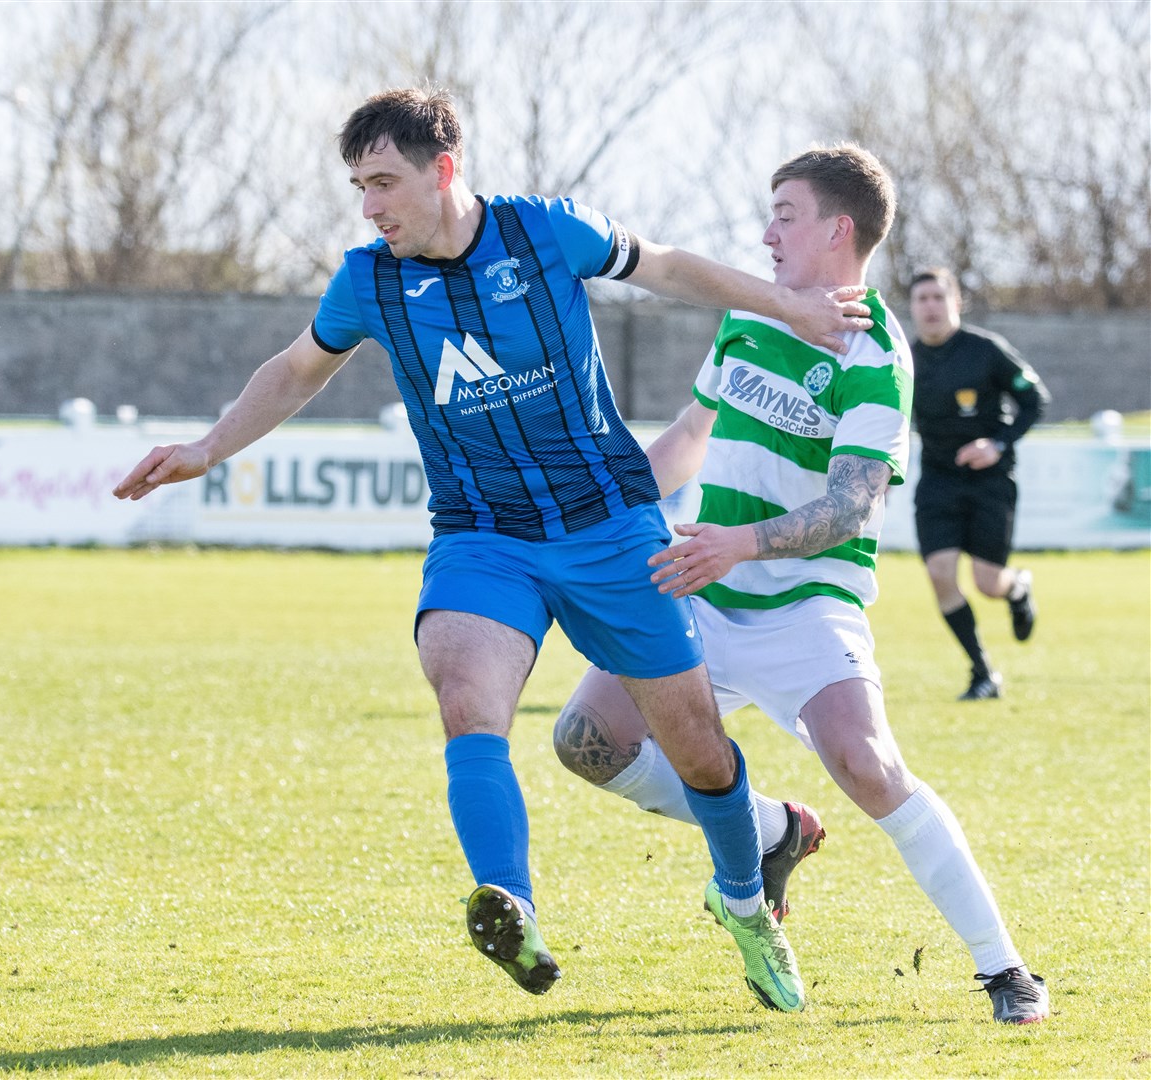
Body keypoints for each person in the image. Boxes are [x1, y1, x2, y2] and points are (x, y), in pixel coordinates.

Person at [114, 88, 875, 1012]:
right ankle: (509, 903)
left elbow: (668, 268)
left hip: (608, 525)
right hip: (482, 536)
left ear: (444, 170)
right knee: (466, 696)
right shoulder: (369, 281)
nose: (369, 207)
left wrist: (789, 304)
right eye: (358, 187)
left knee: (700, 754)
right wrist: (206, 447)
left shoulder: (546, 231)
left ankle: (749, 904)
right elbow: (294, 371)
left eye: (384, 182)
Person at [551, 145, 1049, 1024]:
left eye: (785, 212)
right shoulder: (749, 315)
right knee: (587, 740)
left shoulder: (876, 354)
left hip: (804, 602)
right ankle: (773, 828)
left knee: (868, 763)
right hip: (702, 581)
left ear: (837, 228)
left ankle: (1005, 968)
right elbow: (690, 434)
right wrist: (605, 505)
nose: (767, 230)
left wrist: (739, 543)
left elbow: (854, 506)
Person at [908, 268, 1049, 700]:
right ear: (912, 308)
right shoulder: (901, 359)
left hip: (990, 481)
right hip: (937, 480)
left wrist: (998, 444)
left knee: (988, 583)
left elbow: (1034, 400)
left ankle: (1017, 586)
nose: (930, 307)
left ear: (956, 302)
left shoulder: (986, 351)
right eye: (921, 299)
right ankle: (982, 671)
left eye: (938, 297)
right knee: (940, 574)